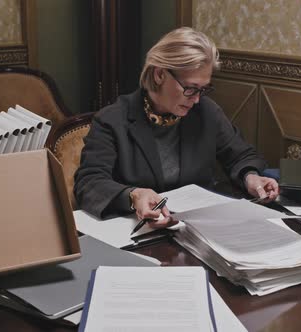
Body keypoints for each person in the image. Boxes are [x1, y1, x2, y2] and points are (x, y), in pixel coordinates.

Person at [74, 27, 279, 228]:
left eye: (203, 89)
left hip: (198, 230)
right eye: (190, 88)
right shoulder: (113, 119)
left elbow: (240, 155)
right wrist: (133, 195)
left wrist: (250, 177)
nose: (197, 99)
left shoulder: (206, 112)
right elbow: (89, 183)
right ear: (159, 75)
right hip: (138, 234)